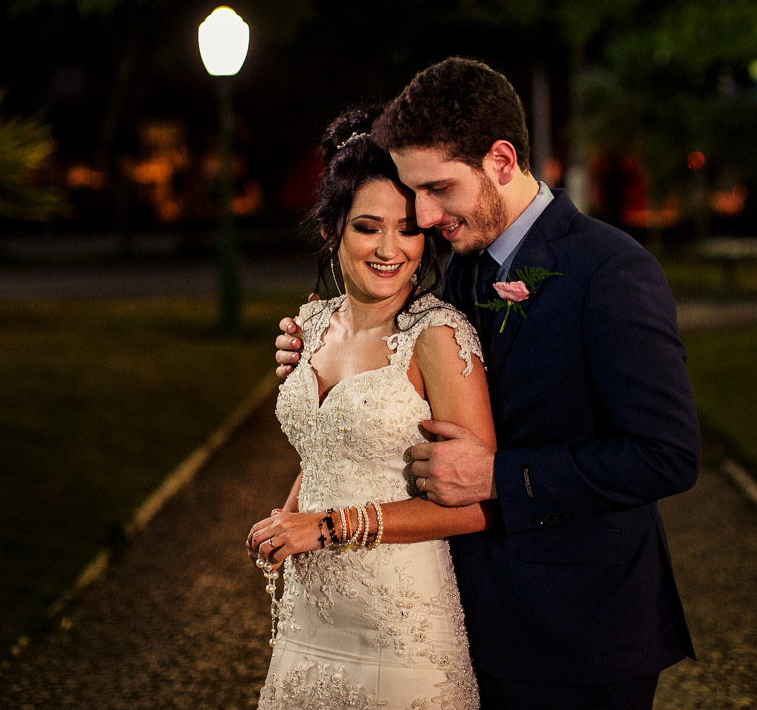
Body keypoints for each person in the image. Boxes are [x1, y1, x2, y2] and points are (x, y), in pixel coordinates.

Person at [274, 58, 701, 710]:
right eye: (414, 192)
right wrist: (320, 352)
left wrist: (502, 477)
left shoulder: (611, 269)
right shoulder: (462, 271)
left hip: (580, 629)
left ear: (501, 160)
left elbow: (666, 455)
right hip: (460, 620)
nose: (423, 213)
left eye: (438, 189)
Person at [248, 107, 495, 709]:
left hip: (401, 628)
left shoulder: (437, 335)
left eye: (408, 229)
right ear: (333, 228)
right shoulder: (311, 323)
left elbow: (475, 507)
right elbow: (329, 450)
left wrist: (327, 528)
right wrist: (285, 521)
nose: (390, 249)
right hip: (309, 623)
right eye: (368, 227)